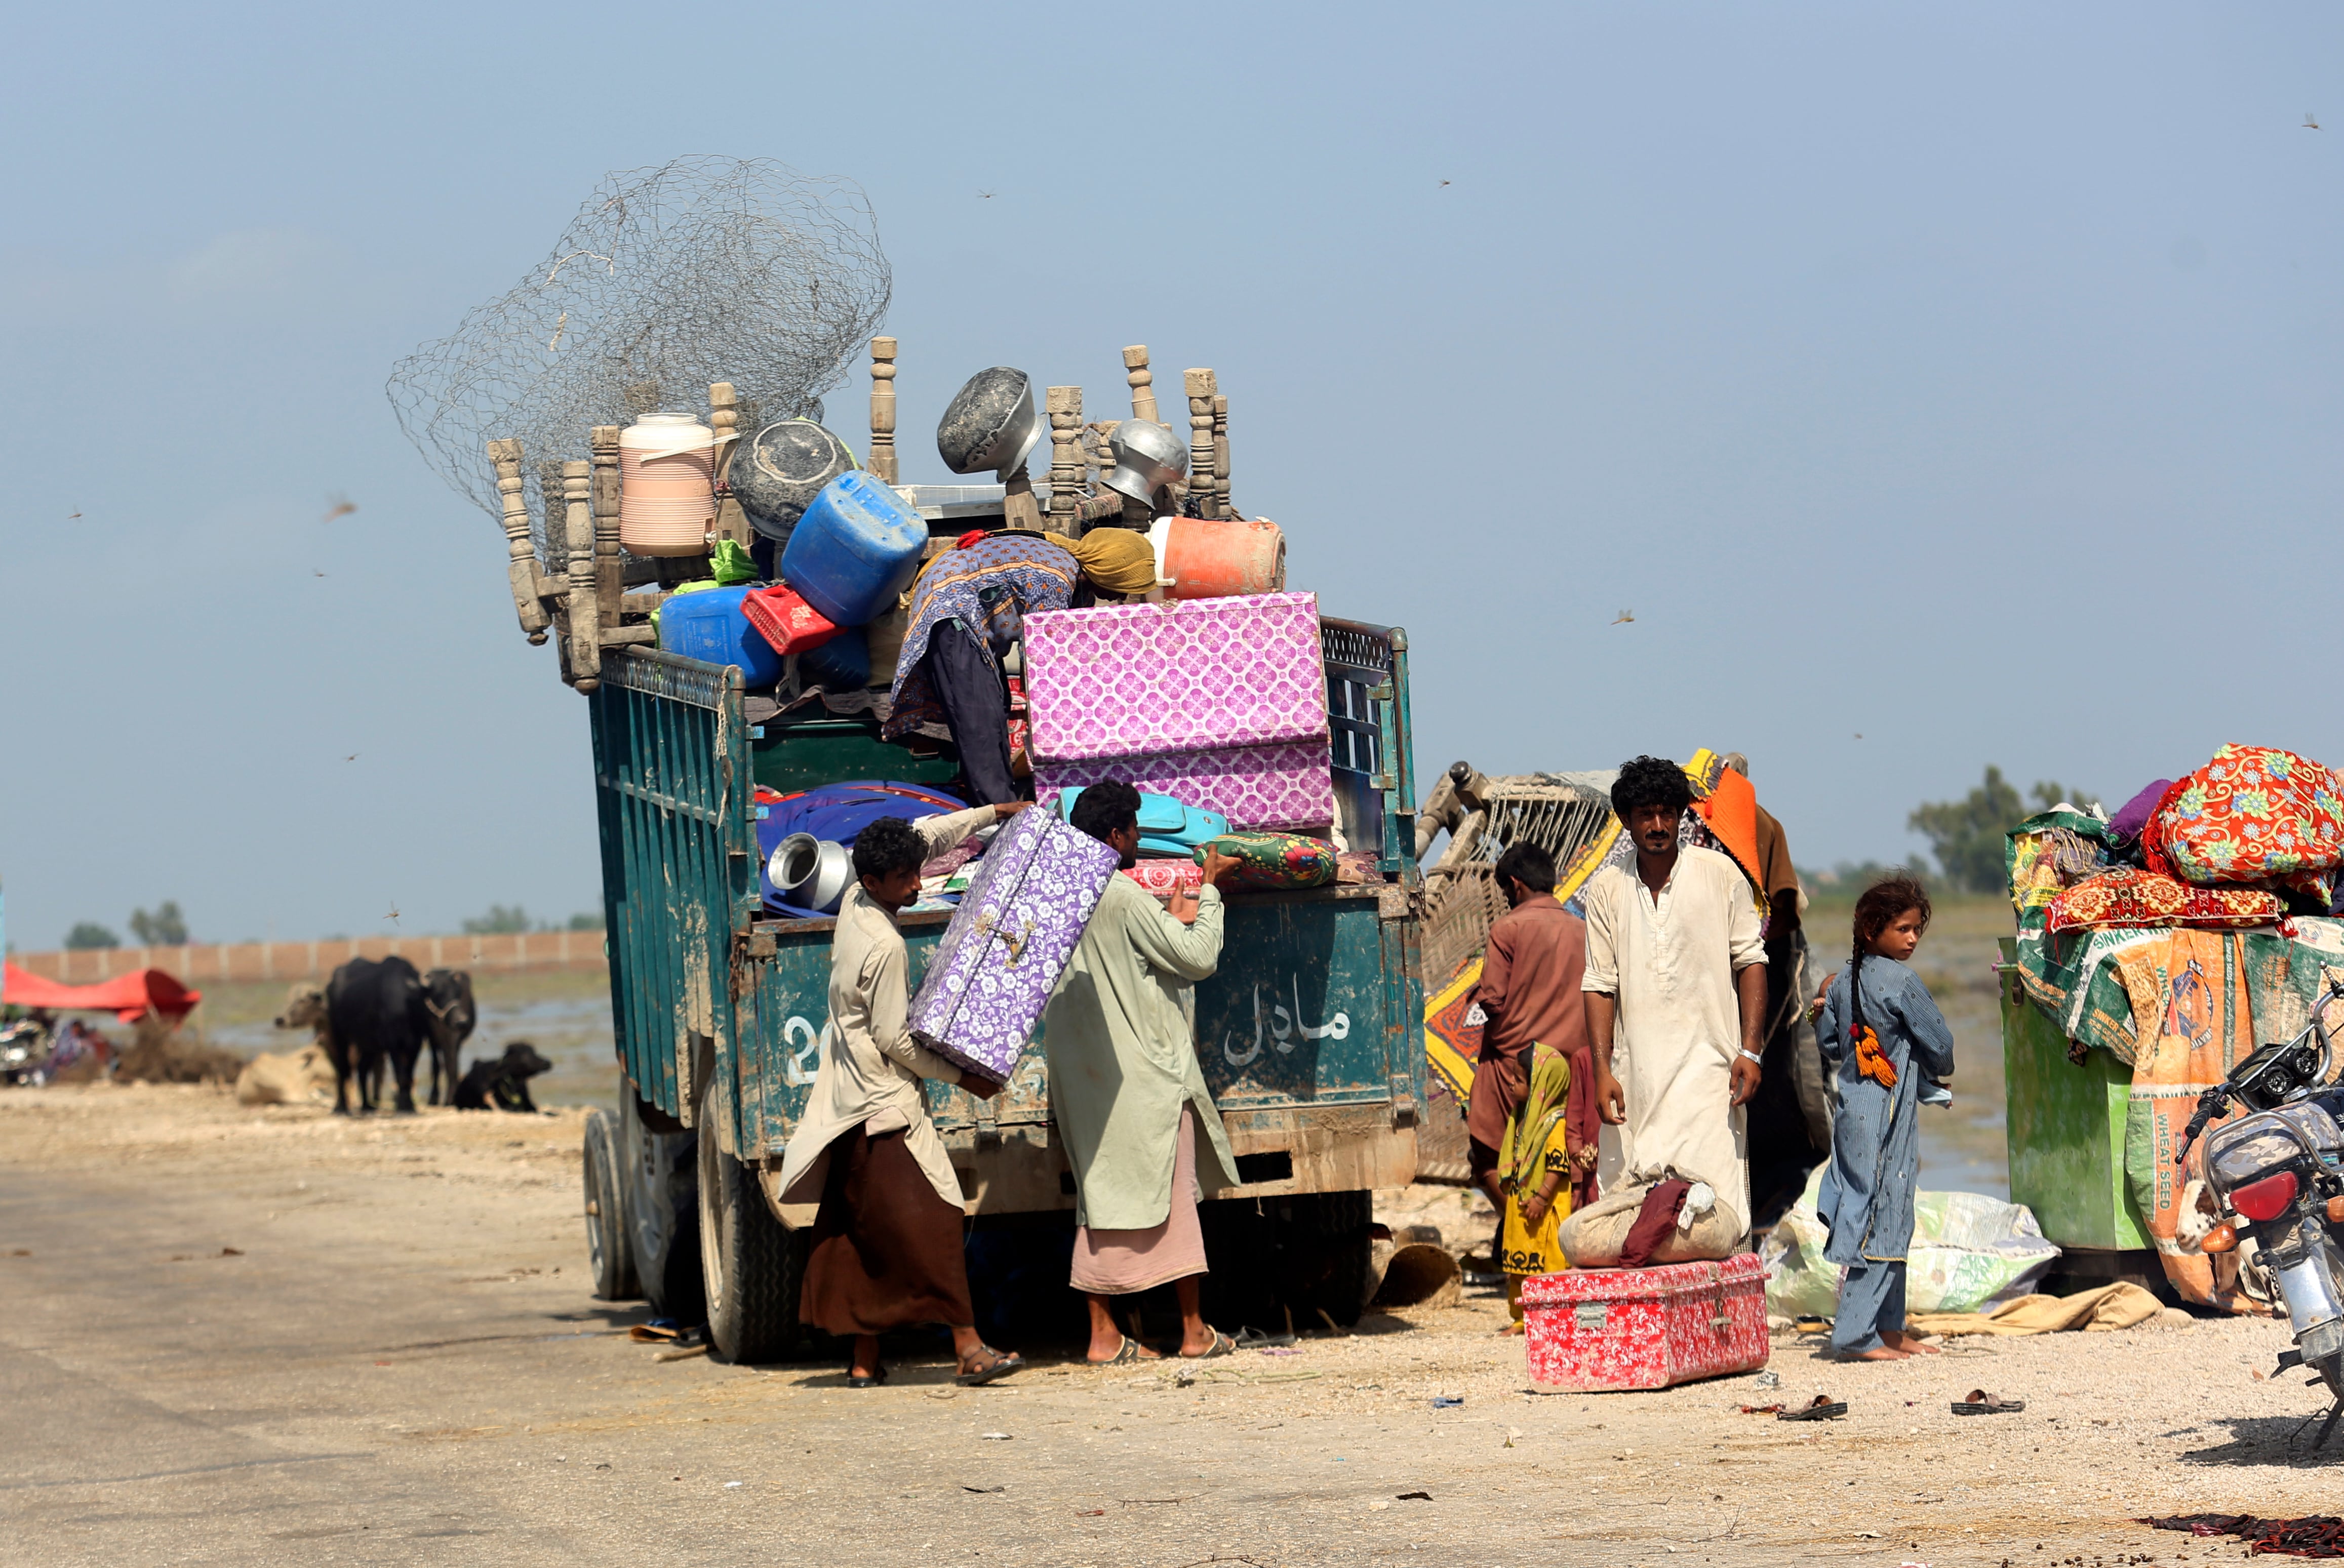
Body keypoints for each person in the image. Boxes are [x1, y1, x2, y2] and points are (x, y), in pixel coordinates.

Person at [775, 805, 1031, 1388]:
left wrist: (997, 812)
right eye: (907, 879)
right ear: (874, 882)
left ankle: (865, 1360)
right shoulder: (885, 946)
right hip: (881, 1106)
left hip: (845, 1104)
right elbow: (895, 1039)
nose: (919, 883)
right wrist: (965, 1077)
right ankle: (968, 1347)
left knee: (866, 1232)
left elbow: (924, 835)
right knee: (936, 1219)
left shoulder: (855, 902)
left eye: (917, 873)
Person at [1043, 780, 1243, 1364]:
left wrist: (1173, 920)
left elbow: (1142, 963)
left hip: (1086, 1080)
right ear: (1114, 836)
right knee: (1174, 1195)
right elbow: (1198, 958)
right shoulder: (1122, 895)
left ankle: (1104, 1335)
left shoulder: (1057, 897)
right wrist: (1209, 891)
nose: (1138, 838)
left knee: (1099, 1201)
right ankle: (1193, 1330)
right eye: (1133, 829)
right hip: (1145, 1076)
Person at [1580, 755, 1770, 1244]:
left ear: (1683, 815)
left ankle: (1723, 1314)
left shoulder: (1720, 874)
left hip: (1711, 1069)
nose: (1658, 825)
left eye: (1668, 812)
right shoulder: (1605, 889)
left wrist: (1750, 1050)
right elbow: (1600, 983)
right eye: (1645, 814)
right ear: (1627, 820)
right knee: (1629, 1198)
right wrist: (1603, 1071)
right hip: (1636, 1074)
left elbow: (1751, 961)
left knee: (1719, 1203)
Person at [884, 528, 1161, 805]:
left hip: (968, 615)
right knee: (979, 719)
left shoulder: (1076, 583)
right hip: (951, 613)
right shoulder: (1057, 580)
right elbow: (1044, 665)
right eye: (1123, 587)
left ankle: (1003, 795)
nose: (1121, 598)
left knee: (998, 705)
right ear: (1108, 572)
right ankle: (999, 812)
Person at [1811, 874, 1955, 1361]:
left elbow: (1831, 1046)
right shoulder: (1901, 981)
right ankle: (1855, 1333)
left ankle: (1889, 1330)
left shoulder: (1841, 980)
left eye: (1917, 929)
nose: (1913, 938)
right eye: (1903, 929)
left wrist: (1820, 1009)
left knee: (1887, 1212)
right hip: (1886, 1117)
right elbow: (1939, 1043)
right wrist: (1938, 1072)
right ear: (1873, 928)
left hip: (1857, 1109)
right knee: (1879, 1219)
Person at [1469, 840, 1595, 1258]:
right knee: (1569, 1162)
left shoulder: (1508, 928)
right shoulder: (1583, 929)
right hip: (1572, 1071)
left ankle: (1523, 1233)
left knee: (1488, 1155)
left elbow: (1492, 1000)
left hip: (1517, 1066)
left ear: (1515, 885)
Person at [1495, 1040, 1578, 1331]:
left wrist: (1541, 1198)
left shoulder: (1553, 1123)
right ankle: (1521, 1318)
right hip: (1521, 1209)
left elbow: (1558, 1165)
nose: (1511, 1084)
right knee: (1518, 1268)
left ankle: (1551, 1318)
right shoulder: (1520, 1120)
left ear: (1543, 1085)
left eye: (1519, 1079)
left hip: (1542, 1210)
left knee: (1547, 1266)